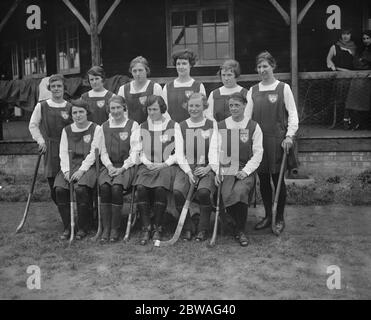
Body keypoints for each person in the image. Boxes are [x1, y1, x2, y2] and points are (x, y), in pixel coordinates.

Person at [249, 51, 299, 235]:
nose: (262, 70)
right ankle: (268, 216)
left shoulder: (283, 88)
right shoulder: (253, 91)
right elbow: (247, 119)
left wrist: (289, 136)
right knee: (263, 180)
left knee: (278, 181)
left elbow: (293, 114)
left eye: (265, 66)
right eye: (259, 67)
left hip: (278, 141)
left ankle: (279, 218)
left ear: (273, 66)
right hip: (259, 142)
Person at [133, 95, 186, 245]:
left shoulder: (173, 125)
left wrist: (164, 164)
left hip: (166, 166)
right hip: (148, 165)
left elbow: (178, 152)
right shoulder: (142, 126)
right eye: (149, 109)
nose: (152, 112)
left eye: (155, 109)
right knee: (141, 188)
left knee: (160, 189)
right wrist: (147, 162)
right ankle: (146, 227)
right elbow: (138, 150)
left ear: (162, 109)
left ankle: (158, 227)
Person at [216, 92, 263, 246]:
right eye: (231, 105)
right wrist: (217, 170)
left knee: (240, 191)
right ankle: (231, 223)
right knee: (226, 192)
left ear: (244, 105)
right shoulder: (221, 125)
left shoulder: (253, 126)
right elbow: (214, 150)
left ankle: (240, 230)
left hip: (244, 168)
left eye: (237, 105)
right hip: (226, 168)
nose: (234, 108)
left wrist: (246, 171)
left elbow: (258, 153)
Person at [173, 92, 218, 241]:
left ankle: (203, 228)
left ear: (204, 106)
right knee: (178, 192)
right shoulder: (181, 126)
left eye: (197, 105)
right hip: (187, 167)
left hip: (206, 166)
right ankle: (188, 226)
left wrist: (208, 168)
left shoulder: (212, 124)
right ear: (187, 106)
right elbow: (179, 154)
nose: (194, 108)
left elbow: (215, 150)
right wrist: (189, 172)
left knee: (204, 192)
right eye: (191, 105)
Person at [54, 99, 101, 240]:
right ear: (71, 114)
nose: (78, 115)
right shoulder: (66, 130)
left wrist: (81, 170)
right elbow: (63, 152)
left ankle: (83, 226)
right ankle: (68, 226)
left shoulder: (96, 128)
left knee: (80, 189)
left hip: (89, 166)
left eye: (81, 112)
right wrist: (67, 171)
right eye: (75, 112)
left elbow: (94, 152)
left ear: (87, 113)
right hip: (69, 165)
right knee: (60, 190)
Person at [98, 95, 140, 242]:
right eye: (112, 108)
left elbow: (135, 152)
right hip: (109, 166)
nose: (115, 111)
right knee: (104, 187)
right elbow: (102, 151)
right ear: (108, 109)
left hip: (126, 167)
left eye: (118, 108)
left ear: (124, 108)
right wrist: (109, 166)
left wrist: (122, 168)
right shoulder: (103, 127)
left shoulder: (133, 125)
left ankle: (115, 228)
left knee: (116, 188)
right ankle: (106, 227)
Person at [29, 74, 72, 206]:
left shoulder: (70, 106)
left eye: (59, 86)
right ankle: (64, 213)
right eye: (53, 86)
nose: (56, 89)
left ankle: (70, 217)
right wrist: (40, 141)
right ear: (49, 88)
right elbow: (33, 125)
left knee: (67, 183)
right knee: (53, 185)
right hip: (50, 147)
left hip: (68, 149)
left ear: (64, 88)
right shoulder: (42, 106)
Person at [163, 49, 206, 123]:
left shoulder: (198, 86)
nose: (181, 66)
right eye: (178, 64)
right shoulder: (167, 87)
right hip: (173, 129)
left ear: (190, 65)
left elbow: (204, 110)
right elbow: (163, 111)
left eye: (184, 63)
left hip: (193, 129)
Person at [117, 56, 164, 124]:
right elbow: (121, 111)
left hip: (150, 127)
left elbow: (161, 111)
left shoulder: (155, 87)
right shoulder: (123, 89)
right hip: (130, 128)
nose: (137, 74)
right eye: (134, 71)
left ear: (146, 70)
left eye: (140, 70)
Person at [326, 28, 357, 129]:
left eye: (348, 34)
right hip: (340, 76)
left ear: (351, 35)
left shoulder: (354, 48)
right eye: (343, 34)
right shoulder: (335, 47)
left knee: (352, 100)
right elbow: (328, 59)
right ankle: (338, 122)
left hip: (352, 77)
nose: (345, 36)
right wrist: (333, 67)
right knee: (340, 99)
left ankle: (349, 121)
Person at [345, 30, 371, 130]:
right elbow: (355, 62)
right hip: (359, 77)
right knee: (354, 101)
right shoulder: (359, 50)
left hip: (368, 79)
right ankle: (355, 122)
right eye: (364, 39)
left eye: (368, 38)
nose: (366, 40)